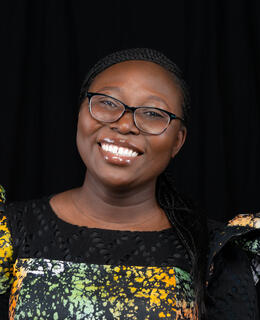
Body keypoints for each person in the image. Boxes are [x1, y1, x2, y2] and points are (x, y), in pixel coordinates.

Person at [0, 48, 259, 320]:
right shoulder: (11, 230)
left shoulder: (216, 253)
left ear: (178, 141)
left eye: (153, 113)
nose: (124, 126)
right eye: (108, 103)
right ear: (80, 113)